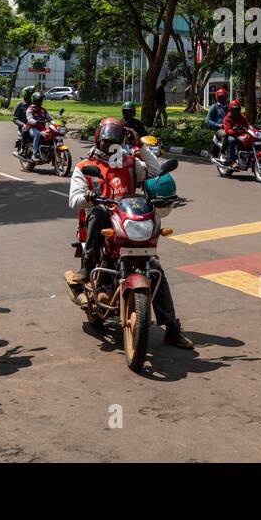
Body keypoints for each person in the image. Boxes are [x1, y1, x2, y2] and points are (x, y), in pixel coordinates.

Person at [65, 118, 192, 349]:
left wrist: (140, 146)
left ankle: (172, 328)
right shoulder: (85, 166)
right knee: (101, 209)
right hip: (99, 229)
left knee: (154, 267)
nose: (108, 145)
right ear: (98, 139)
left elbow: (154, 172)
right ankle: (88, 263)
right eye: (105, 140)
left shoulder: (129, 162)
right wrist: (89, 198)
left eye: (114, 140)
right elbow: (74, 200)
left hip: (128, 222)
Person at [222, 99, 250, 165]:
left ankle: (246, 157)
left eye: (237, 109)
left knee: (249, 140)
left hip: (240, 134)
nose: (236, 111)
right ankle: (233, 160)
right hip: (232, 135)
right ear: (231, 109)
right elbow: (227, 130)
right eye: (234, 109)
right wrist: (234, 130)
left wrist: (252, 128)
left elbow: (247, 125)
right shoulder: (227, 118)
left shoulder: (242, 117)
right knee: (232, 140)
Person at [204, 87, 229, 159]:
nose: (223, 99)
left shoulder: (228, 107)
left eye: (224, 97)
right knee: (225, 134)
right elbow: (207, 120)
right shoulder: (214, 107)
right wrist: (217, 125)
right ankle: (223, 153)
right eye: (221, 97)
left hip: (229, 128)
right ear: (217, 97)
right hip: (219, 130)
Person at [26, 92, 50, 160]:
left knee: (51, 134)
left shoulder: (43, 110)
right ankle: (34, 154)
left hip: (42, 128)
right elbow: (29, 119)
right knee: (37, 135)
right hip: (32, 127)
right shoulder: (30, 109)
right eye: (38, 100)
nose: (40, 101)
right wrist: (36, 122)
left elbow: (50, 119)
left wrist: (57, 122)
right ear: (34, 100)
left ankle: (47, 150)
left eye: (41, 100)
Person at [12, 86, 35, 153]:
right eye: (30, 94)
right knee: (26, 130)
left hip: (35, 126)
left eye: (33, 94)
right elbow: (15, 119)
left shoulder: (35, 105)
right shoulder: (20, 104)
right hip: (24, 127)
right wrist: (23, 124)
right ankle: (23, 148)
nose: (32, 96)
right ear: (25, 94)